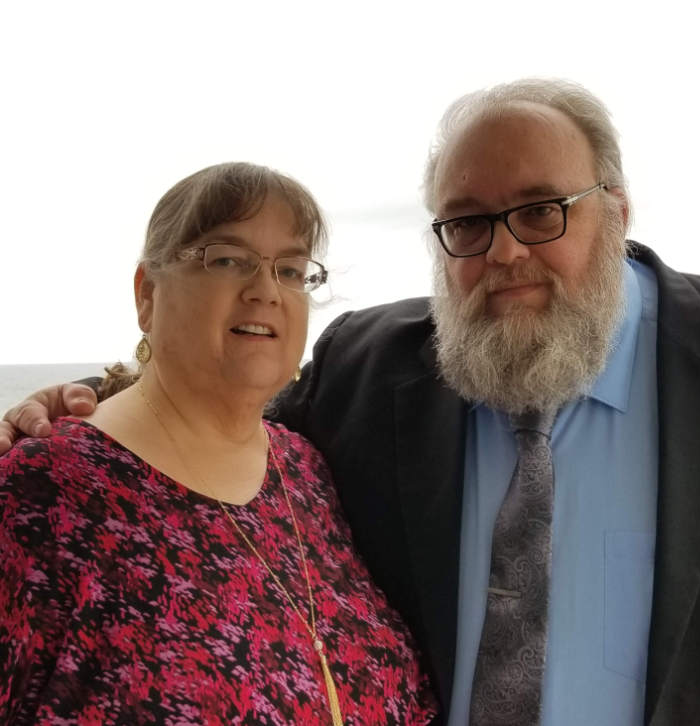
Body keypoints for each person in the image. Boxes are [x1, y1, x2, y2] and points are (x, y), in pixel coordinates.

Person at [3, 81, 700, 725]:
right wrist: (91, 400)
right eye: (468, 223)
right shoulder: (369, 367)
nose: (506, 250)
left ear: (615, 210)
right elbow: (214, 434)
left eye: (540, 210)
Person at [0, 163, 437, 724]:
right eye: (228, 259)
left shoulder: (307, 469)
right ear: (146, 294)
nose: (266, 291)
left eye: (290, 269)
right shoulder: (43, 491)